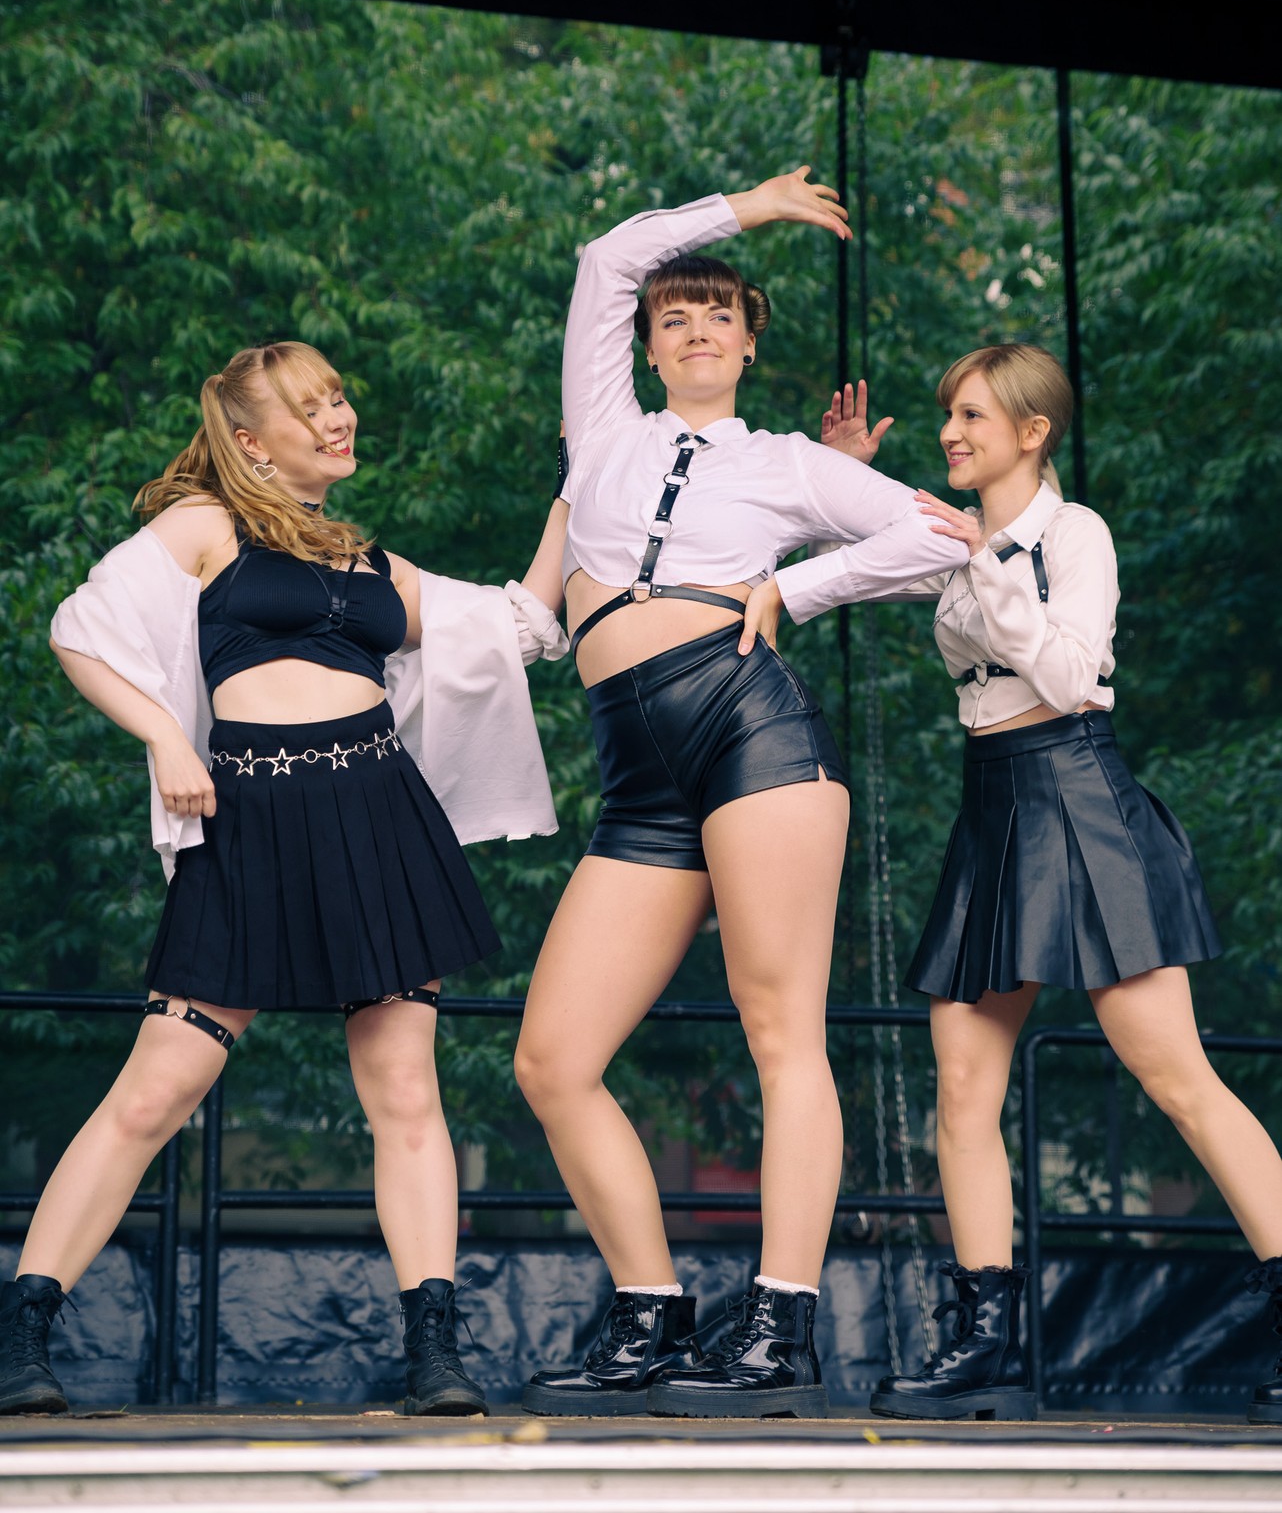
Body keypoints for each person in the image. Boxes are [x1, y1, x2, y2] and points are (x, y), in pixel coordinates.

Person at [0, 342, 566, 1420]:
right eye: (312, 408)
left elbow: (519, 628)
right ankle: (21, 1335)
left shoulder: (370, 560)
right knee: (153, 1092)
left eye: (339, 398)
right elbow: (81, 630)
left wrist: (573, 491)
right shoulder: (206, 527)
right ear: (253, 442)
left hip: (376, 816)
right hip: (248, 821)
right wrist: (166, 737)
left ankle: (433, 1354)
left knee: (405, 1092)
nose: (339, 418)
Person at [513, 168, 969, 1420]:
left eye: (720, 313)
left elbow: (944, 537)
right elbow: (606, 257)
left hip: (751, 732)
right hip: (636, 773)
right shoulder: (601, 428)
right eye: (676, 316)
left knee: (782, 1033)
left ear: (750, 342)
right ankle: (649, 1310)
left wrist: (797, 588)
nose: (697, 328)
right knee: (552, 1058)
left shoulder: (787, 466)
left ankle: (780, 1325)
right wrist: (749, 208)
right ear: (648, 344)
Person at [794, 349, 1282, 1423]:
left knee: (1177, 1078)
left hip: (1078, 793)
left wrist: (988, 565)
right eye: (947, 414)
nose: (950, 432)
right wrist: (841, 481)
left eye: (972, 416)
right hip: (993, 805)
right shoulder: (953, 535)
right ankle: (985, 1346)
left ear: (1032, 433)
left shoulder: (1075, 536)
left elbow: (1069, 677)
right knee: (963, 1090)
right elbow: (849, 569)